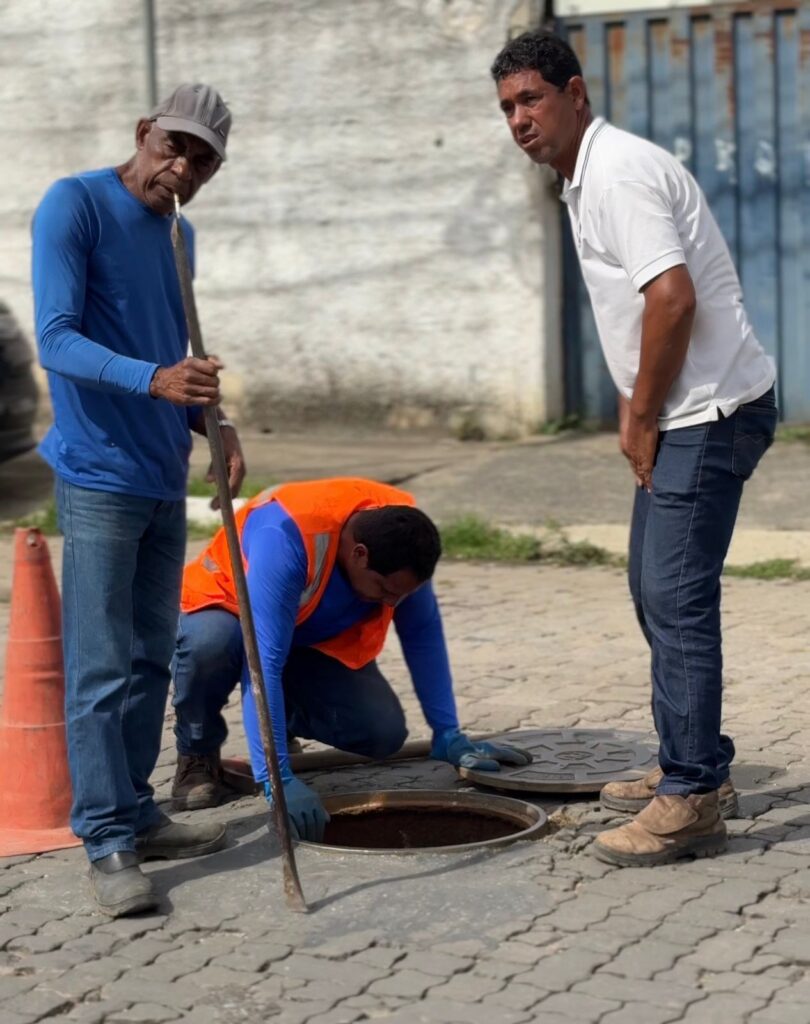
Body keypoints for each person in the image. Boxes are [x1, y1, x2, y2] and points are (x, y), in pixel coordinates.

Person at [491, 33, 777, 866]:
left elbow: (673, 299)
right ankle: (696, 764)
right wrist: (633, 405)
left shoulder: (617, 173)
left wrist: (644, 412)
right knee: (652, 588)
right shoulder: (584, 179)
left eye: (532, 100)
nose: (519, 119)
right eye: (508, 107)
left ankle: (688, 795)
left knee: (677, 599)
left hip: (709, 413)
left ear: (575, 93)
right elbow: (636, 311)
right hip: (681, 411)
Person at [32, 84, 246, 916]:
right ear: (144, 133)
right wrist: (153, 380)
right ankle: (105, 839)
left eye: (203, 160)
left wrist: (210, 421)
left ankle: (137, 810)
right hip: (97, 474)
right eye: (176, 146)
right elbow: (55, 338)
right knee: (98, 664)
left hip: (161, 473)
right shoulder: (74, 205)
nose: (183, 168)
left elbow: (173, 350)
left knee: (153, 657)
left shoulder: (178, 233)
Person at [171, 477, 531, 839]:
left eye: (400, 596)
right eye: (385, 591)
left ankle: (288, 721)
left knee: (382, 732)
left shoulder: (403, 545)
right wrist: (276, 778)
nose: (391, 604)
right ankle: (197, 753)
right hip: (227, 607)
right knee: (211, 645)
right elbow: (263, 666)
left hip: (304, 636)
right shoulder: (287, 538)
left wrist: (447, 732)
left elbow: (423, 636)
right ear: (359, 554)